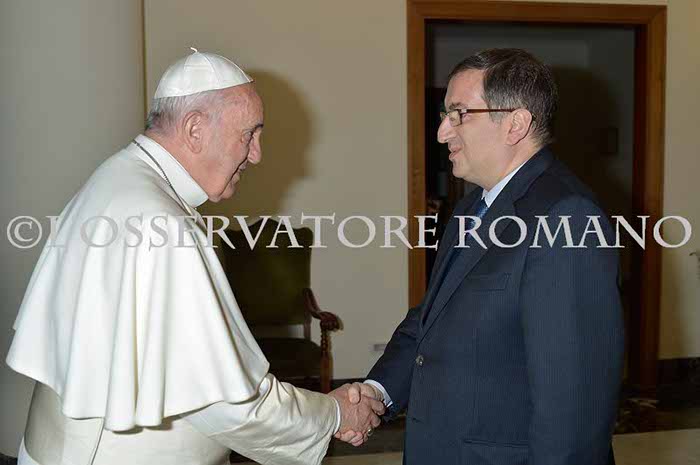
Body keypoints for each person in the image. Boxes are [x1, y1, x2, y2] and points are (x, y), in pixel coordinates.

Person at [6, 49, 382, 465]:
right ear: (195, 129)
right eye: (249, 135)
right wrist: (334, 413)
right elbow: (228, 403)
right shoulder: (161, 223)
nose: (256, 154)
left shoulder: (117, 177)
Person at [339, 49, 625, 465]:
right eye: (446, 114)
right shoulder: (472, 207)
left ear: (515, 124)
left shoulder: (568, 216)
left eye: (458, 114)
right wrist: (377, 392)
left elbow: (574, 405)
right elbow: (431, 319)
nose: (442, 132)